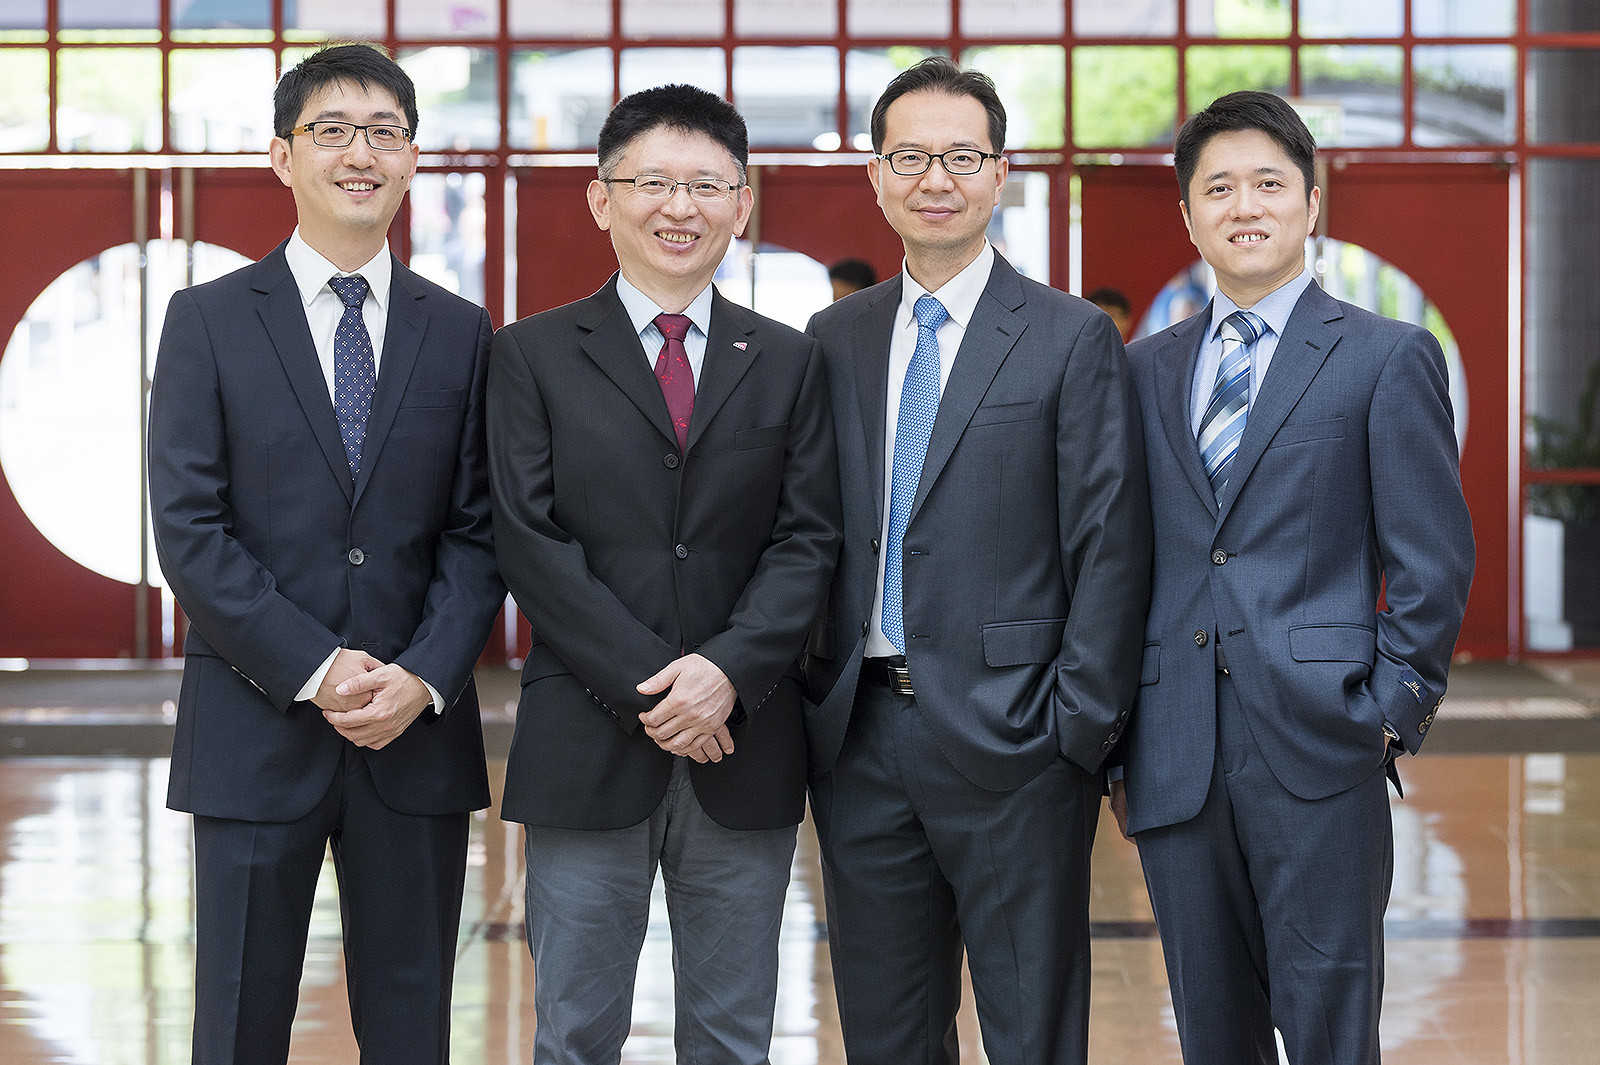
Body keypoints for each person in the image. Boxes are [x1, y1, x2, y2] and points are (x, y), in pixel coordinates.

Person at [147, 43, 504, 1065]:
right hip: (255, 730)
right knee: (239, 1027)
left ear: (412, 160)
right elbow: (189, 526)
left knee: (413, 1029)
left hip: (415, 737)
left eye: (385, 132)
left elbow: (479, 532)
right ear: (280, 156)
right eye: (332, 131)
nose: (362, 153)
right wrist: (315, 667)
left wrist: (423, 678)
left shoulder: (462, 331)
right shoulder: (207, 321)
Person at [1112, 90, 1474, 1065]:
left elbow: (1431, 561)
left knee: (1328, 1034)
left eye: (1268, 183)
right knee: (1209, 1036)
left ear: (1311, 203)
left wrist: (1387, 711)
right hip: (1174, 753)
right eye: (1217, 188)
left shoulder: (1383, 356)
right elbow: (1122, 559)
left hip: (1321, 748)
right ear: (1187, 215)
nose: (1245, 206)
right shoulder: (1141, 371)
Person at [803, 57, 1152, 1065]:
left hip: (1019, 743)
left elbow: (1108, 543)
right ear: (875, 176)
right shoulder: (833, 338)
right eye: (909, 156)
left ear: (1001, 174)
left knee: (1029, 1028)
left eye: (961, 156)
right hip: (859, 739)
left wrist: (1075, 730)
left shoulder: (1068, 337)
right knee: (884, 1030)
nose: (935, 178)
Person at [487, 84, 841, 1064]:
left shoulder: (787, 360)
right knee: (574, 1031)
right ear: (602, 200)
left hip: (745, 740)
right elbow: (528, 541)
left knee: (733, 1036)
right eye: (651, 183)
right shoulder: (530, 356)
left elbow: (807, 539)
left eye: (704, 185)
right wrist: (663, 685)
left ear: (742, 200)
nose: (676, 207)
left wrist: (725, 671)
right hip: (586, 744)